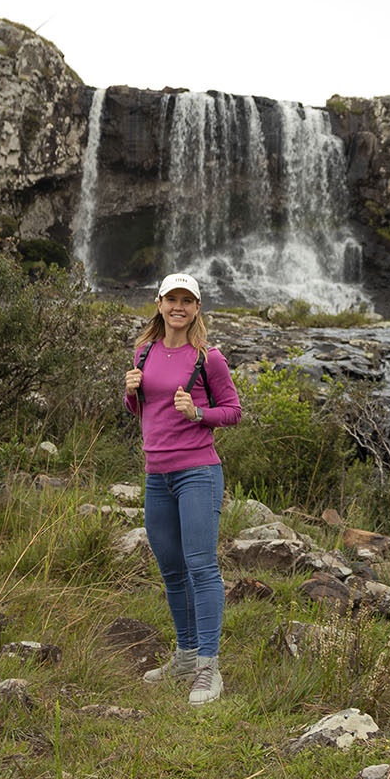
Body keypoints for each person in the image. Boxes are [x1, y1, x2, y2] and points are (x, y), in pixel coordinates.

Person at [124, 272, 241, 703]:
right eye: (171, 299)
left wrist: (198, 413)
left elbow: (233, 411)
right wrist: (129, 392)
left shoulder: (208, 358)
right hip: (158, 475)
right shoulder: (144, 352)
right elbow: (143, 410)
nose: (178, 307)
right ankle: (186, 656)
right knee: (172, 569)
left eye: (186, 301)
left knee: (201, 566)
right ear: (159, 303)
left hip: (198, 473)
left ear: (196, 309)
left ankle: (210, 668)